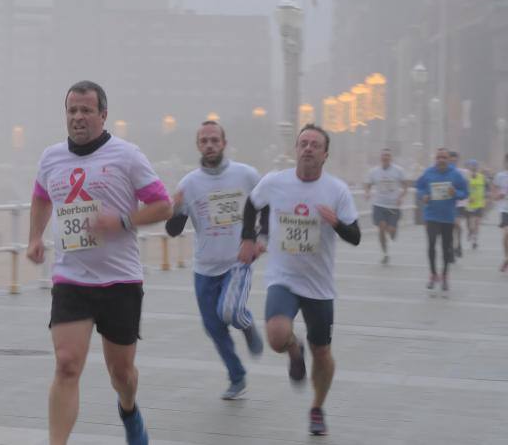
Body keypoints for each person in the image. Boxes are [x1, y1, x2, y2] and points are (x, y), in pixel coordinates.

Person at [26, 80, 172, 445]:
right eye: (72, 111)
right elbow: (42, 197)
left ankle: (128, 409)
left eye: (86, 111)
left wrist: (121, 221)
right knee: (66, 364)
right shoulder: (51, 157)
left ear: (103, 115)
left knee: (121, 373)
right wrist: (34, 237)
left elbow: (163, 205)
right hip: (71, 278)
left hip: (120, 280)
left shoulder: (127, 155)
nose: (78, 118)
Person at [239, 124, 361, 436]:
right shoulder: (275, 182)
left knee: (322, 353)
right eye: (303, 143)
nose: (308, 148)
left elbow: (356, 235)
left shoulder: (337, 191)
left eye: (314, 145)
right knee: (277, 336)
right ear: (296, 149)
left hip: (319, 286)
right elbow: (252, 204)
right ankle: (295, 350)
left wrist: (336, 223)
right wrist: (248, 240)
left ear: (325, 154)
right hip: (284, 277)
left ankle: (317, 408)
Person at [165, 121, 265, 400]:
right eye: (204, 141)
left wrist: (261, 240)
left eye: (214, 140)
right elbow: (173, 231)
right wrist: (173, 210)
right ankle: (237, 377)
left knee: (230, 311)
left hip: (237, 261)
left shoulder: (246, 175)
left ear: (224, 143)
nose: (209, 145)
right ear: (198, 146)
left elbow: (268, 206)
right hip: (204, 268)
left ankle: (245, 323)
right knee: (213, 327)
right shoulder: (189, 184)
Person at [415, 148, 469, 296]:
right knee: (431, 245)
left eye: (444, 157)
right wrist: (423, 196)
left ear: (448, 159)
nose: (441, 160)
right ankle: (433, 274)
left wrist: (455, 193)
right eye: (439, 157)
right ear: (435, 159)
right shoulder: (428, 172)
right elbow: (418, 187)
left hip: (448, 217)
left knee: (446, 248)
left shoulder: (455, 174)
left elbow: (465, 192)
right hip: (431, 216)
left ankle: (444, 276)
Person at [363, 148, 408, 265]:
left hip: (393, 206)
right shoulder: (374, 172)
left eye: (388, 155)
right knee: (381, 228)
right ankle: (385, 253)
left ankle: (393, 230)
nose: (385, 157)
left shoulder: (398, 171)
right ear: (380, 158)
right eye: (383, 155)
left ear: (391, 158)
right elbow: (367, 184)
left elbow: (405, 186)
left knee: (391, 232)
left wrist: (401, 196)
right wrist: (367, 192)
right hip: (379, 205)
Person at [448, 151, 469, 258]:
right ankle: (451, 247)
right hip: (448, 203)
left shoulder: (462, 172)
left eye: (455, 160)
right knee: (450, 227)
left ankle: (458, 244)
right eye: (451, 159)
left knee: (457, 224)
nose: (453, 161)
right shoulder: (444, 171)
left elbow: (466, 188)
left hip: (460, 203)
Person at [491, 153, 508, 272]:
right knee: (506, 234)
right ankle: (506, 257)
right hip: (505, 209)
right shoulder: (500, 176)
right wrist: (498, 195)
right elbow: (494, 193)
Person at [465, 160, 487, 250]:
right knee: (471, 224)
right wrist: (468, 196)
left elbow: (486, 189)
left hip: (479, 203)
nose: (474, 168)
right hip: (469, 204)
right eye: (472, 166)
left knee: (477, 223)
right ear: (469, 168)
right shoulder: (466, 178)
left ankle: (475, 241)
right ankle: (470, 232)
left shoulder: (482, 177)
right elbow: (463, 189)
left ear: (477, 168)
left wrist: (486, 198)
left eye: (475, 166)